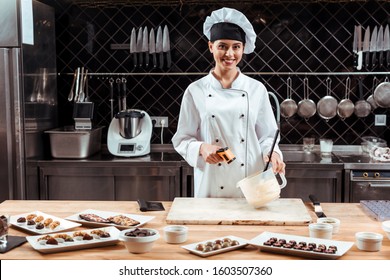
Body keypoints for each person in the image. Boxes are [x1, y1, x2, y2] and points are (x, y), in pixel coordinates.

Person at [172, 7, 285, 198]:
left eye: (236, 47)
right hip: (211, 182)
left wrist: (273, 154)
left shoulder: (256, 89)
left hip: (251, 183)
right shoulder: (195, 90)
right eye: (222, 46)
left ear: (243, 48)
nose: (229, 54)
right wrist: (201, 148)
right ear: (211, 47)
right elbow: (182, 139)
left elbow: (267, 136)